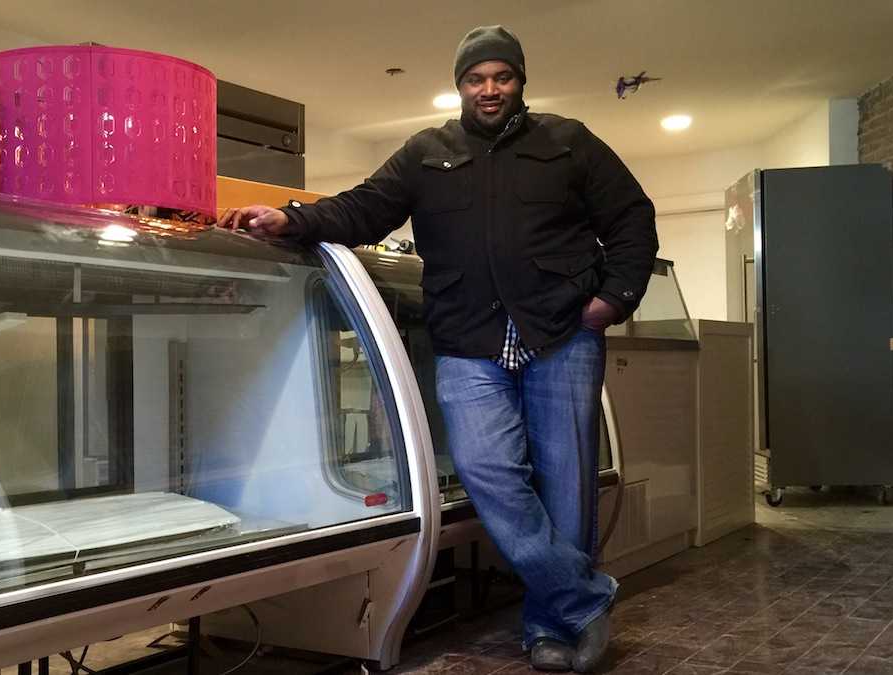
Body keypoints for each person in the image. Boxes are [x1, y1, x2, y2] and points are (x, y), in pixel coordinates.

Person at [218, 25, 657, 673]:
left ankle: (548, 627)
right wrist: (292, 217)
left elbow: (631, 220)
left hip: (561, 334)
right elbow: (364, 208)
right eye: (476, 78)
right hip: (467, 340)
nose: (489, 89)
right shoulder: (427, 152)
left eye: (501, 77)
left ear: (520, 82)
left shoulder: (569, 142)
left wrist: (611, 300)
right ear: (459, 86)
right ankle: (583, 598)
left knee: (567, 486)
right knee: (488, 476)